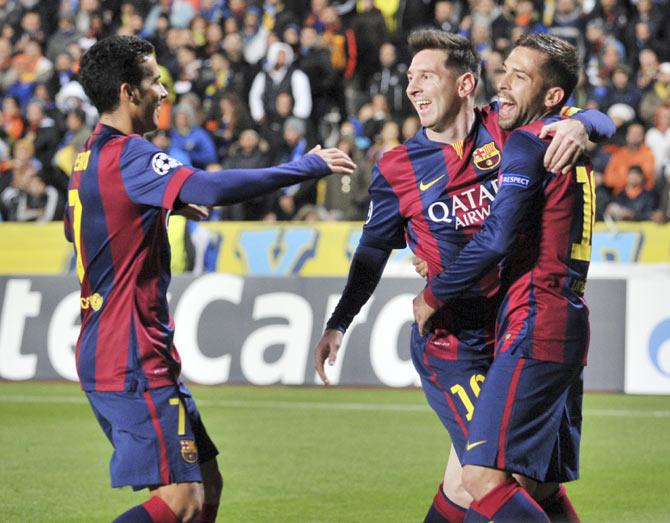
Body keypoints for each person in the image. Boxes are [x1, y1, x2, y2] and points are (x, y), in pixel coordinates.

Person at [313, 29, 613, 523]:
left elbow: (588, 114)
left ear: (465, 84)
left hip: (512, 324)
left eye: (426, 76)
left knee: (495, 483)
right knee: (488, 479)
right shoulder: (396, 166)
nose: (412, 88)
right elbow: (370, 254)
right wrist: (340, 322)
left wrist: (583, 127)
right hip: (456, 341)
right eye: (410, 77)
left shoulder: (507, 126)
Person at [65, 35, 354, 523]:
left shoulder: (87, 157)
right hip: (130, 349)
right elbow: (210, 185)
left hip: (118, 344)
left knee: (208, 482)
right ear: (127, 92)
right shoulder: (131, 155)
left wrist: (166, 203)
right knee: (183, 500)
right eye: (154, 80)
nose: (164, 91)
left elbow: (90, 232)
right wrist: (304, 166)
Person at [412, 33, 599, 521]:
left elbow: (495, 237)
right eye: (505, 71)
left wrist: (433, 293)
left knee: (480, 478)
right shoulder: (565, 134)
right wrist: (588, 124)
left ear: (552, 96)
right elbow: (598, 119)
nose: (504, 85)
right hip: (561, 319)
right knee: (531, 487)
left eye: (521, 76)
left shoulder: (528, 140)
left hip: (533, 321)